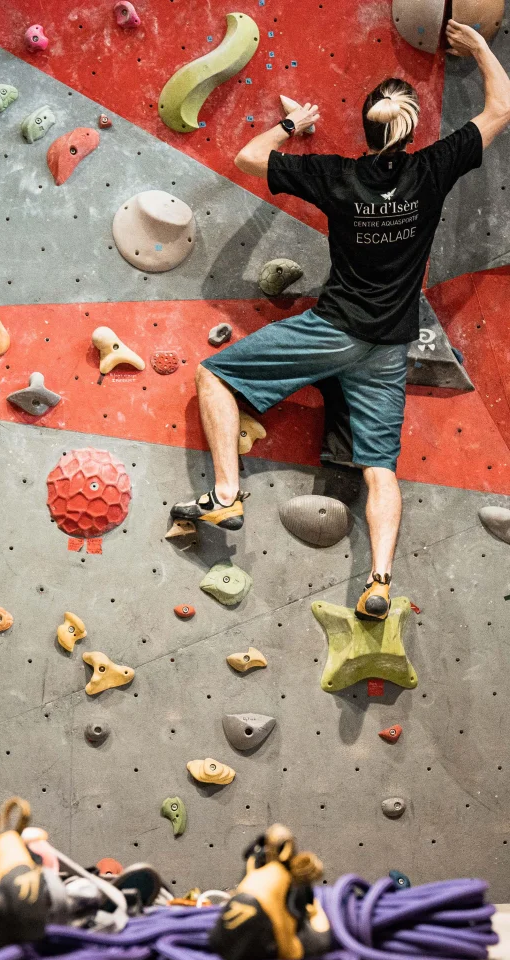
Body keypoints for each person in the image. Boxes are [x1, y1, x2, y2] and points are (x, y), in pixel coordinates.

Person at [172, 20, 510, 621]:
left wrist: (292, 126)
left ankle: (226, 496)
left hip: (332, 332)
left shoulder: (335, 175)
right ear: (409, 129)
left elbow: (250, 158)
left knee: (215, 377)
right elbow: (501, 108)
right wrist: (482, 47)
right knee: (381, 468)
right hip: (389, 348)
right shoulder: (432, 169)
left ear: (366, 126)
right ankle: (379, 579)